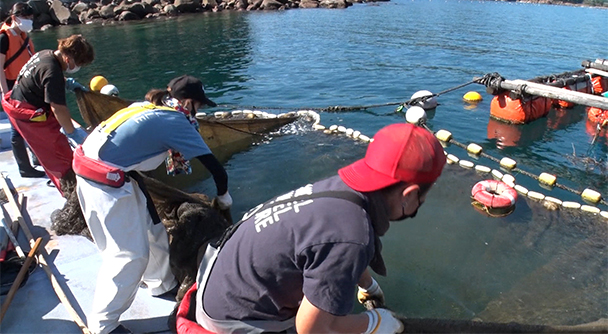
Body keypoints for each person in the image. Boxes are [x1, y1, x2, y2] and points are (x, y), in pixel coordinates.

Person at [187, 122, 446, 334]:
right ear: (409, 195)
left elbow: (327, 246)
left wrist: (367, 284)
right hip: (231, 319)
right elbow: (312, 328)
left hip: (218, 286)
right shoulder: (353, 237)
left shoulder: (339, 191)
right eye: (424, 196)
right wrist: (376, 323)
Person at [73, 75, 232, 334]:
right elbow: (217, 171)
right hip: (104, 182)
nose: (199, 111)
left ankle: (161, 283)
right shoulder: (175, 121)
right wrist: (224, 197)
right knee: (128, 256)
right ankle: (103, 326)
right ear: (189, 102)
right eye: (200, 105)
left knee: (153, 229)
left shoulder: (146, 106)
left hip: (108, 171)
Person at [1, 34, 94, 192]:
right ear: (68, 59)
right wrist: (72, 133)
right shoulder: (52, 72)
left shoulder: (45, 54)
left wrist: (67, 83)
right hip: (28, 115)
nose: (77, 68)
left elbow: (43, 76)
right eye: (78, 64)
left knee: (54, 152)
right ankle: (69, 192)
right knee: (60, 158)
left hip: (18, 102)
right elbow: (58, 108)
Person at [0, 3, 44, 178]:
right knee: (16, 128)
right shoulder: (4, 38)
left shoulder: (23, 36)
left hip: (26, 85)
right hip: (12, 87)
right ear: (15, 18)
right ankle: (24, 168)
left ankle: (36, 157)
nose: (28, 22)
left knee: (33, 122)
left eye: (30, 19)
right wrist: (5, 93)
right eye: (25, 18)